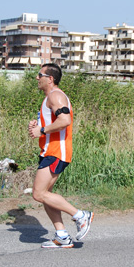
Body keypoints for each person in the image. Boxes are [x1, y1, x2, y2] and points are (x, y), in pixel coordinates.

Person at [27, 63, 93, 248]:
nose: (36, 78)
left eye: (39, 75)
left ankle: (81, 216)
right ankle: (62, 235)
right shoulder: (50, 97)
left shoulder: (55, 95)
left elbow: (65, 120)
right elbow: (54, 121)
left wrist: (42, 129)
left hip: (56, 151)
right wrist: (38, 124)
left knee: (39, 194)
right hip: (50, 150)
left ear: (50, 78)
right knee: (45, 194)